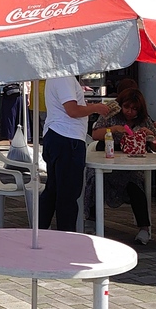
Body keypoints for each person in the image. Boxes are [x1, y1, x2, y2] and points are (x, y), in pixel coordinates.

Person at [38, 76, 111, 233]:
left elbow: (72, 106)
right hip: (67, 137)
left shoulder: (56, 76)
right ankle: (65, 236)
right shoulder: (64, 77)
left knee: (54, 190)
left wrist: (92, 107)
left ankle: (40, 231)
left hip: (58, 135)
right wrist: (95, 108)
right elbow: (72, 110)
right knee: (67, 194)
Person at [90, 88, 156, 244]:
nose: (129, 112)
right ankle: (91, 220)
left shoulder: (144, 120)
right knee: (94, 178)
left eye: (134, 109)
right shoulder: (111, 115)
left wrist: (150, 136)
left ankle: (144, 227)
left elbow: (155, 147)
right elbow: (95, 134)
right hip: (107, 157)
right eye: (127, 107)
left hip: (132, 162)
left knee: (136, 183)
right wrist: (113, 130)